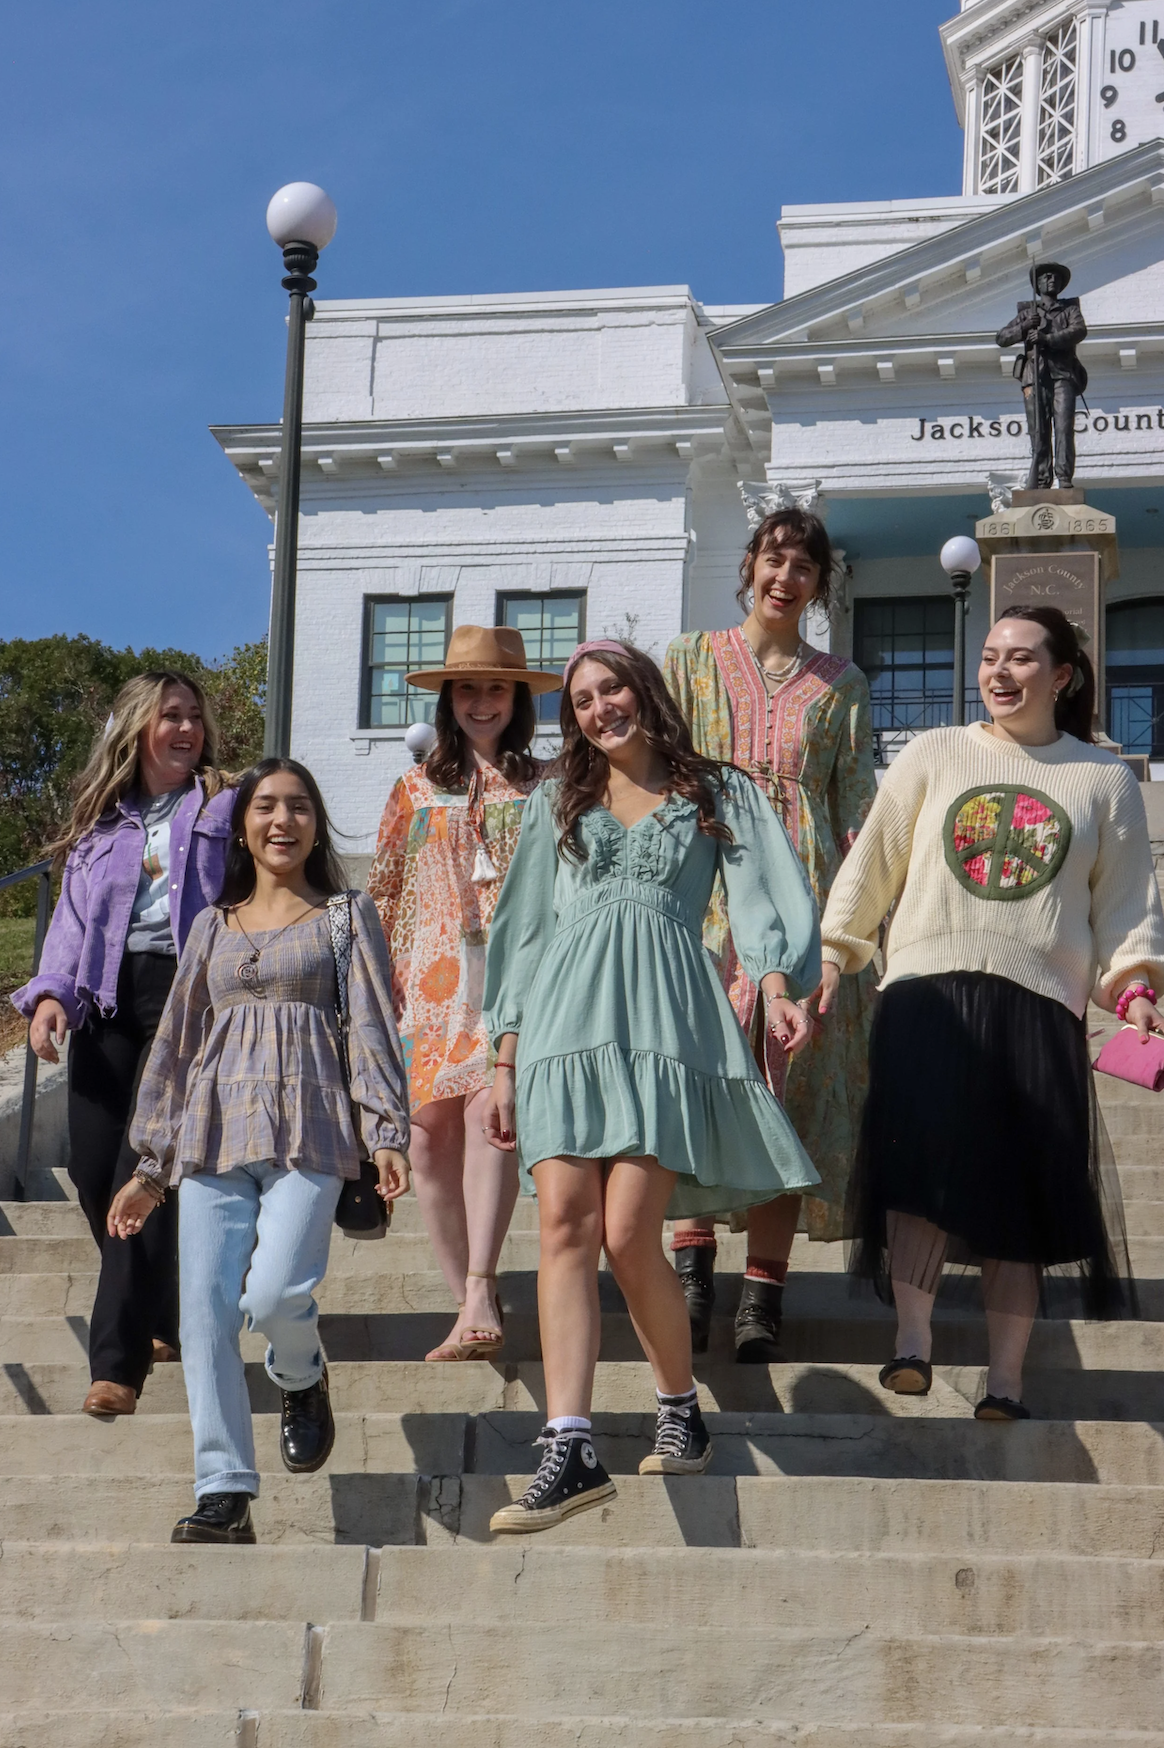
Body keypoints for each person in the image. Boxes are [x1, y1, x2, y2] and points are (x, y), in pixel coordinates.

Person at [480, 640, 820, 1533]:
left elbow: (761, 897)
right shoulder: (557, 799)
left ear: (646, 691)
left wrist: (778, 985)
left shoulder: (719, 790)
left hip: (666, 1019)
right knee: (564, 1226)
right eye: (582, 699)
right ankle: (569, 1444)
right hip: (563, 1022)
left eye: (612, 688)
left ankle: (679, 1405)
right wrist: (503, 1059)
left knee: (632, 1234)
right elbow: (521, 930)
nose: (598, 708)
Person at [821, 606, 1164, 1419]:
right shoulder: (935, 753)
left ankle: (1006, 1382)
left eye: (1020, 659)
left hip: (1040, 1006)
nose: (999, 672)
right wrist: (838, 950)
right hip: (926, 993)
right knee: (913, 1176)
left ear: (1063, 675)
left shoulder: (1103, 779)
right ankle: (912, 1341)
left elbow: (1123, 906)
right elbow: (875, 859)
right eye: (989, 657)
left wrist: (1138, 984)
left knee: (1022, 1194)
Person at [107, 758, 410, 1545]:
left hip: (310, 1127)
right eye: (266, 807)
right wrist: (150, 1168)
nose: (283, 821)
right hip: (213, 1131)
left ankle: (300, 1377)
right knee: (204, 1312)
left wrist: (385, 1132)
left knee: (274, 1295)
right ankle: (224, 1489)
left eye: (299, 807)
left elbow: (372, 1026)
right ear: (242, 825)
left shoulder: (346, 916)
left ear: (316, 823)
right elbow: (174, 1048)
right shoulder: (210, 923)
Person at [663, 507, 876, 1359]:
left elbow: (855, 807)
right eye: (774, 559)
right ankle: (690, 1273)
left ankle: (763, 1295)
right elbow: (652, 767)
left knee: (787, 1090)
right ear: (749, 564)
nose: (785, 577)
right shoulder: (687, 661)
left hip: (804, 899)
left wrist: (858, 924)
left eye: (804, 567)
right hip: (702, 891)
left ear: (820, 585)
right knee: (695, 1079)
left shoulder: (841, 683)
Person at [11, 671, 234, 1417]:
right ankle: (158, 1312)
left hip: (185, 998)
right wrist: (49, 995)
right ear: (137, 728)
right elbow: (72, 924)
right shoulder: (102, 825)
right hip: (106, 1002)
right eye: (170, 716)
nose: (186, 729)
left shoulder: (223, 804)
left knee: (144, 1166)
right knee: (88, 1166)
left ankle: (117, 1363)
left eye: (194, 717)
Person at [367, 626, 559, 1360]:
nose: (483, 702)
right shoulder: (413, 788)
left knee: (489, 1118)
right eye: (469, 688)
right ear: (450, 700)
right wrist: (374, 991)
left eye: (498, 688)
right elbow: (382, 891)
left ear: (517, 700)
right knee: (424, 1140)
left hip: (513, 983)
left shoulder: (546, 784)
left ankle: (482, 1286)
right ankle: (468, 1301)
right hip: (427, 984)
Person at [996, 261, 1087, 492]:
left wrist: (1047, 340)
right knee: (1039, 431)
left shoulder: (1069, 311)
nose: (1051, 280)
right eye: (1045, 277)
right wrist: (1025, 327)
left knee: (1064, 428)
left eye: (1055, 277)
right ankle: (1043, 480)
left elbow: (1078, 330)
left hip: (1062, 375)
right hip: (1033, 377)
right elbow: (1002, 338)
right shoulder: (1028, 314)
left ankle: (1064, 478)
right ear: (1037, 284)